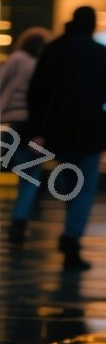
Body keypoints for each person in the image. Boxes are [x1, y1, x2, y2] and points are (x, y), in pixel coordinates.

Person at [15, 7, 106, 269]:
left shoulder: (54, 50)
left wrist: (37, 129)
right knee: (85, 186)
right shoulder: (99, 52)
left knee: (67, 182)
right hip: (90, 131)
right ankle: (71, 238)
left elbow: (38, 92)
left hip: (57, 131)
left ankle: (65, 230)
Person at [2, 27, 51, 244]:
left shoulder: (17, 58)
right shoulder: (44, 64)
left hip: (14, 122)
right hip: (35, 125)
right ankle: (19, 222)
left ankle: (19, 221)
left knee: (25, 171)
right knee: (31, 176)